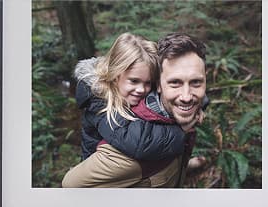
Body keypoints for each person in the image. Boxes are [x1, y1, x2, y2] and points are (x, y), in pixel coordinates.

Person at [62, 33, 207, 189]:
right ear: (115, 74)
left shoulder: (134, 91)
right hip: (108, 174)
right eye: (134, 81)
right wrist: (180, 131)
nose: (141, 89)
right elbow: (136, 142)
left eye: (148, 83)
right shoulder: (100, 102)